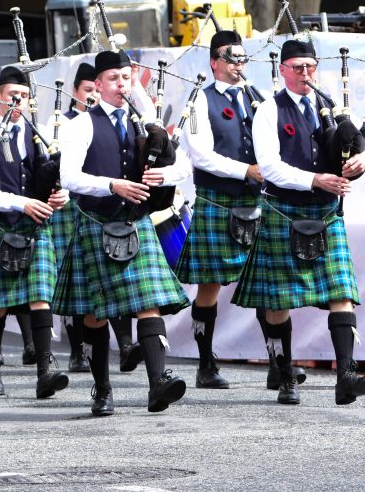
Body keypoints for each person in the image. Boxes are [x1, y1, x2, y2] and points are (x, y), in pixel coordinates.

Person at [53, 49, 190, 416]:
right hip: (98, 223)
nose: (122, 85)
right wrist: (113, 185)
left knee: (149, 302)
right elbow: (69, 177)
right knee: (96, 314)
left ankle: (158, 382)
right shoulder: (81, 124)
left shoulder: (146, 124)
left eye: (127, 78)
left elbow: (184, 166)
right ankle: (102, 388)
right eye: (114, 79)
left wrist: (164, 174)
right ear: (97, 86)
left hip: (136, 222)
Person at [232, 38, 365, 406]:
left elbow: (353, 145)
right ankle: (286, 372)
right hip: (284, 211)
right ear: (283, 70)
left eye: (310, 66)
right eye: (297, 68)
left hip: (325, 213)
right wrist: (314, 179)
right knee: (278, 303)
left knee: (342, 294)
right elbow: (270, 167)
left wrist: (361, 161)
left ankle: (346, 376)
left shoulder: (330, 107)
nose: (305, 74)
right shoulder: (268, 111)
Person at [0, 65, 70, 400]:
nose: (18, 101)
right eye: (12, 95)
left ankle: (45, 370)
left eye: (23, 96)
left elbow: (58, 177)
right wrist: (24, 203)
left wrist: (61, 193)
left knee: (40, 296)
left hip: (33, 225)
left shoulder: (39, 134)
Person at [176, 31, 262, 389]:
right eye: (232, 59)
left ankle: (279, 363)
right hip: (217, 201)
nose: (238, 66)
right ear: (215, 62)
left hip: (258, 202)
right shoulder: (200, 100)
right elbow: (201, 155)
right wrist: (246, 170)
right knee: (209, 286)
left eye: (242, 59)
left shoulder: (259, 98)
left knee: (267, 283)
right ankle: (205, 363)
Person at [46, 63, 95, 373]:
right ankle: (76, 350)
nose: (92, 96)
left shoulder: (107, 121)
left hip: (97, 203)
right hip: (69, 205)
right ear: (75, 91)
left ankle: (125, 345)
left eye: (95, 90)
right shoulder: (59, 122)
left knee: (97, 279)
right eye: (87, 90)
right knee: (74, 280)